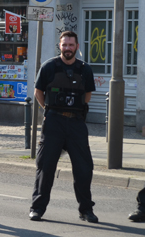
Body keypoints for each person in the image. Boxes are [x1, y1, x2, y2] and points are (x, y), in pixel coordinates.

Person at [29, 31, 97, 223]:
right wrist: (49, 110)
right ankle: (37, 208)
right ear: (59, 46)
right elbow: (38, 92)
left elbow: (87, 95)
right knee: (45, 167)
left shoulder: (85, 69)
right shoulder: (49, 66)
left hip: (76, 123)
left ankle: (86, 210)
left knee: (84, 169)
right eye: (64, 45)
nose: (67, 48)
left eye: (71, 45)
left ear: (76, 46)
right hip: (54, 123)